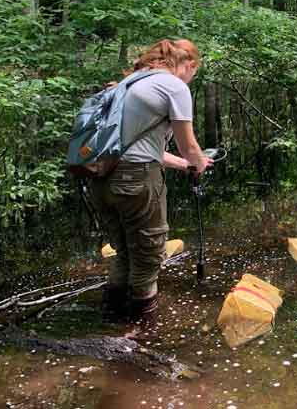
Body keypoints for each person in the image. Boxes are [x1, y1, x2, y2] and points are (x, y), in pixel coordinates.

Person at [89, 38, 211, 319]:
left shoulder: (128, 84)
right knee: (148, 257)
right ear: (190, 65)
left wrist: (185, 165)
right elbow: (189, 146)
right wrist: (198, 163)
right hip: (136, 178)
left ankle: (111, 319)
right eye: (194, 73)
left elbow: (141, 146)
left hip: (100, 176)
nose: (191, 79)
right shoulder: (174, 86)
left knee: (124, 252)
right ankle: (141, 330)